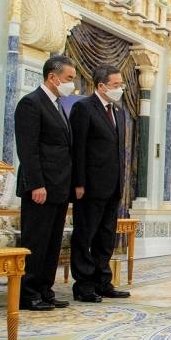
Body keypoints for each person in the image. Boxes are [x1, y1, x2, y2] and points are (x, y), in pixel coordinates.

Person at [13, 55, 76, 311]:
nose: (72, 84)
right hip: (40, 187)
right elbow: (28, 150)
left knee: (52, 243)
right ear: (53, 77)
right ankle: (28, 293)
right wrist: (36, 184)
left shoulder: (58, 105)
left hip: (59, 186)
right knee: (36, 241)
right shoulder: (31, 103)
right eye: (69, 78)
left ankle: (44, 289)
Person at [68, 65, 130, 302]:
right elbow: (79, 148)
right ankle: (83, 285)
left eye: (121, 84)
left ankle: (103, 280)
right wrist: (79, 182)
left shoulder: (118, 111)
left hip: (113, 185)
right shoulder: (83, 108)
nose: (120, 89)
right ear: (101, 86)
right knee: (86, 235)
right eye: (116, 85)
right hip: (90, 186)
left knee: (106, 236)